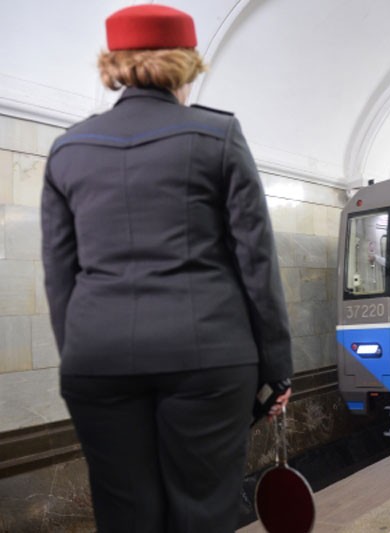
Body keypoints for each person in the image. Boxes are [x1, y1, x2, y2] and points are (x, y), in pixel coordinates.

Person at [40, 5, 293, 532]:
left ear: (111, 64)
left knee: (124, 512)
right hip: (208, 355)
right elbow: (256, 260)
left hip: (98, 358)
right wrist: (277, 369)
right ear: (188, 64)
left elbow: (60, 276)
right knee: (203, 508)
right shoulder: (217, 136)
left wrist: (84, 356)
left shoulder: (68, 150)